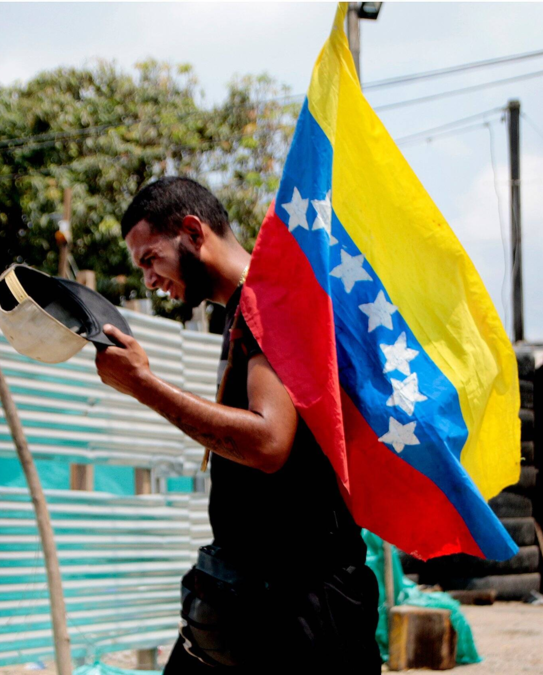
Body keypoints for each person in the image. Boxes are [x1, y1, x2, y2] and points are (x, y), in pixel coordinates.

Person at [94, 177, 380, 673]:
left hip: (304, 601)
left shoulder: (269, 301)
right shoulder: (243, 310)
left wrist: (143, 384)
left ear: (191, 231)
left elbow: (269, 442)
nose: (149, 281)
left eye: (150, 259)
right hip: (250, 590)